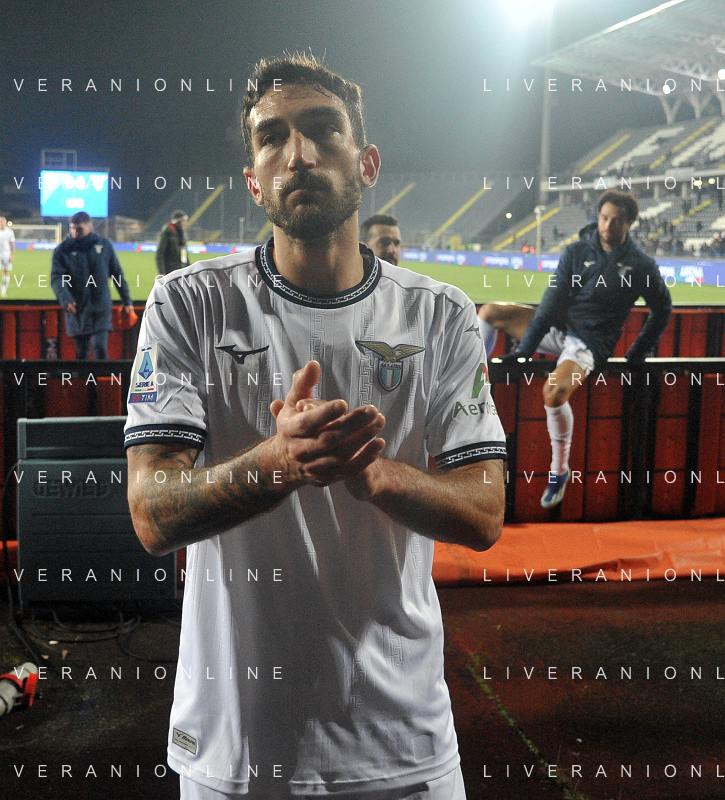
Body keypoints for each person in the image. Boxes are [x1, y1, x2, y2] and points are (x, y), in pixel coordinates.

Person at [124, 53, 504, 800]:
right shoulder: (187, 305)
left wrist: (375, 475)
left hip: (404, 748)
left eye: (322, 129)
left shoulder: (441, 316)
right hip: (239, 751)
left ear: (366, 164)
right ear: (252, 181)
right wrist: (278, 464)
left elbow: (485, 511)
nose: (297, 153)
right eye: (272, 137)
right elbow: (150, 514)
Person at [481, 189, 672, 508]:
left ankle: (559, 471)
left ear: (629, 224)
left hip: (588, 343)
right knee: (489, 312)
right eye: (604, 217)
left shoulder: (641, 266)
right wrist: (525, 350)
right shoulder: (576, 251)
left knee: (553, 392)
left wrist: (636, 353)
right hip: (557, 328)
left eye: (616, 221)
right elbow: (549, 304)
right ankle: (475, 385)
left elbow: (663, 308)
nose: (608, 225)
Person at [50, 211, 132, 359]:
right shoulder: (62, 250)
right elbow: (57, 278)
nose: (75, 232)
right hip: (77, 308)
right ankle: (86, 375)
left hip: (100, 307)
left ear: (90, 227)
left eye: (79, 229)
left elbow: (117, 274)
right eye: (72, 228)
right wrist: (65, 299)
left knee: (100, 346)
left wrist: (127, 302)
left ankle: (102, 375)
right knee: (82, 352)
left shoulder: (104, 246)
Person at [155, 209, 189, 275]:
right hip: (170, 272)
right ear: (178, 222)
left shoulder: (182, 235)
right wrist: (162, 272)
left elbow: (184, 254)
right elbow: (159, 254)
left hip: (181, 271)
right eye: (184, 221)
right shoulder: (166, 233)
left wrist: (188, 268)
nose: (185, 223)